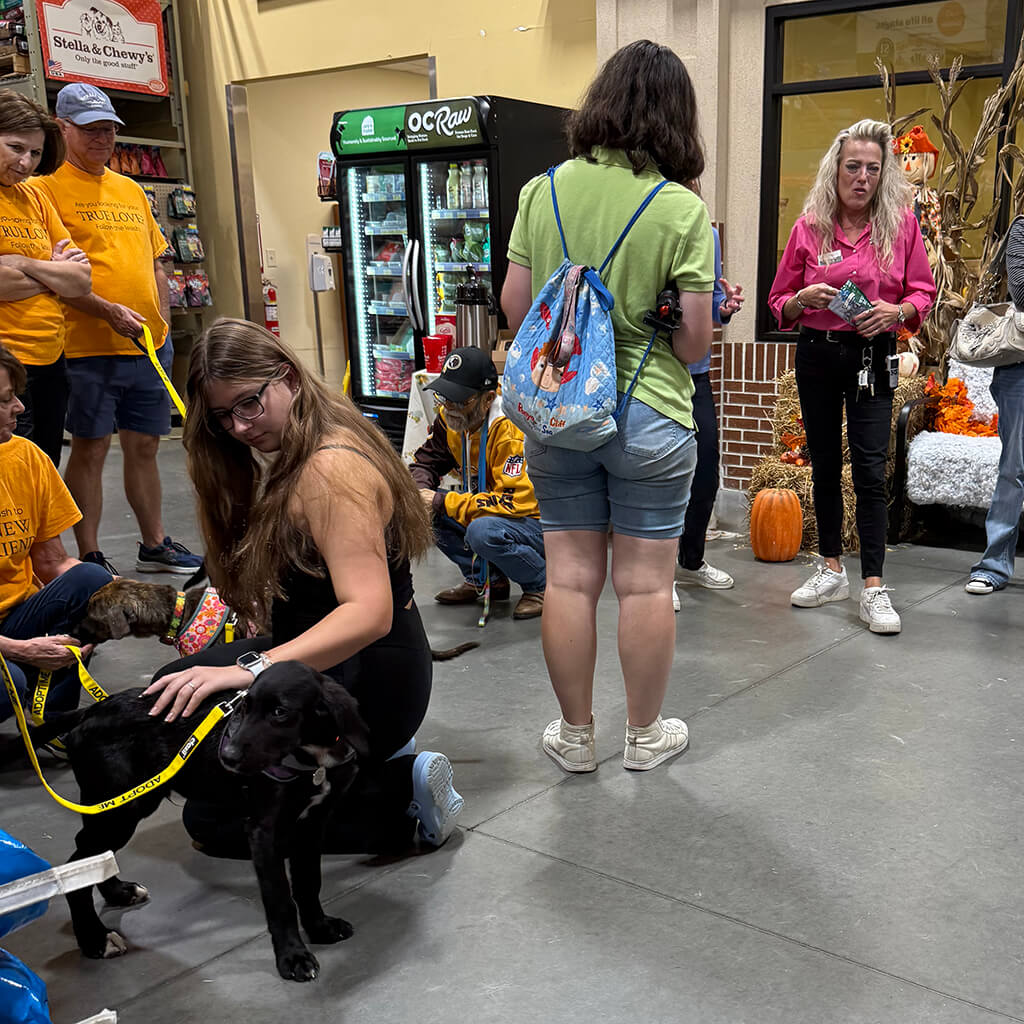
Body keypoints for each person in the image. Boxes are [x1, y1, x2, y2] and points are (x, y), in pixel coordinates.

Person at [143, 319, 463, 853]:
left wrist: (249, 670)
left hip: (368, 676)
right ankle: (360, 765)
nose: (240, 427)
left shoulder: (329, 469)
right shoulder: (310, 433)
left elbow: (368, 613)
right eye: (224, 416)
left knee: (211, 822)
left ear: (287, 377)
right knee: (175, 690)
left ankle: (395, 797)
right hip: (338, 664)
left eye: (249, 404)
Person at [501, 40, 714, 773]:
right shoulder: (681, 209)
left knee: (568, 578)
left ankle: (577, 736)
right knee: (646, 583)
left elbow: (516, 306)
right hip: (649, 413)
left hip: (559, 413)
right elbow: (692, 344)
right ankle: (645, 737)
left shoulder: (544, 191)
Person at [768, 119, 935, 634]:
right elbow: (779, 302)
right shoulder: (809, 227)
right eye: (852, 167)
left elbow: (923, 292)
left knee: (868, 468)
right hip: (818, 353)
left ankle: (875, 586)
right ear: (835, 170)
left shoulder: (902, 225)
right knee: (823, 463)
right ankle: (831, 568)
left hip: (872, 357)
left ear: (883, 175)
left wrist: (896, 312)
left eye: (872, 168)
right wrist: (802, 299)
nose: (861, 177)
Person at [31, 84, 201, 577]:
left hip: (147, 344)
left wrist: (163, 320)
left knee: (146, 444)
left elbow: (157, 261)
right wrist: (106, 311)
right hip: (85, 347)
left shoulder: (130, 190)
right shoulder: (44, 190)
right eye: (90, 130)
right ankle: (89, 554)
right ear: (62, 129)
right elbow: (54, 275)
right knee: (91, 446)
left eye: (108, 128)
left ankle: (155, 544)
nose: (102, 138)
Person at [0, 345, 112, 737]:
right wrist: (16, 650)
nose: (19, 408)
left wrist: (116, 602)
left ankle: (52, 723)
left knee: (93, 581)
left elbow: (52, 562)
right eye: (4, 400)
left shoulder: (26, 458)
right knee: (7, 683)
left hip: (15, 617)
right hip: (7, 643)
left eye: (16, 395)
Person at [410, 346, 545, 620]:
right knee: (426, 508)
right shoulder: (452, 419)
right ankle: (487, 580)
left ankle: (541, 585)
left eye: (461, 400)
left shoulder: (509, 429)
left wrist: (439, 499)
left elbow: (514, 502)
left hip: (534, 523)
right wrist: (418, 493)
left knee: (483, 531)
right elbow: (426, 462)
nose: (450, 407)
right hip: (492, 509)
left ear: (488, 399)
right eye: (445, 397)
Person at [0, 89, 91, 466]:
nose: (25, 163)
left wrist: (21, 262)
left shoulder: (34, 198)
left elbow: (81, 280)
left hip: (52, 358)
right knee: (12, 471)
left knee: (44, 470)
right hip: (6, 364)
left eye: (35, 154)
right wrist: (54, 274)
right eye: (15, 147)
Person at [673, 225, 744, 611]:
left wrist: (725, 307)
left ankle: (691, 559)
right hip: (654, 369)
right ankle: (657, 573)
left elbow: (713, 300)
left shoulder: (707, 233)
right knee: (660, 476)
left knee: (705, 473)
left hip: (697, 374)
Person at [965, 216, 1024, 594]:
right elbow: (1021, 289)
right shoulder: (1022, 228)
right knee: (1014, 470)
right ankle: (993, 566)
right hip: (1021, 371)